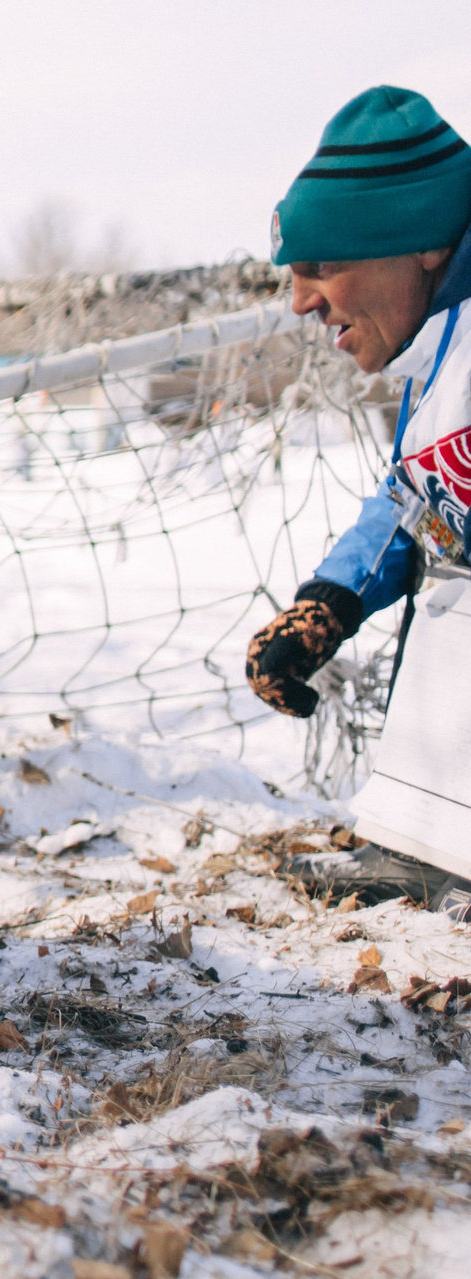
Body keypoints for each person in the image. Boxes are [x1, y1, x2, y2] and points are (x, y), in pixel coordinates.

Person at [248, 85, 471, 895]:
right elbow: (421, 495)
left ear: (423, 244)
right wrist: (331, 600)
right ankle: (424, 849)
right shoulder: (442, 344)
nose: (302, 301)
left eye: (324, 267)